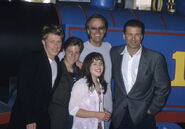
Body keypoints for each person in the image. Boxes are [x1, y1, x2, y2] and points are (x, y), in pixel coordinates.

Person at [110, 19, 171, 129]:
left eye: (137, 34)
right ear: (124, 36)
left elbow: (163, 87)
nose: (133, 38)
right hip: (119, 114)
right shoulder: (114, 53)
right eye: (130, 34)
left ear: (142, 36)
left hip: (143, 116)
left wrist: (152, 109)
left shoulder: (155, 58)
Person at [8, 25, 64, 129]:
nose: (56, 46)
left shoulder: (57, 62)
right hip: (25, 116)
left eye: (59, 41)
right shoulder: (31, 59)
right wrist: (29, 118)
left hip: (43, 115)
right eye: (52, 41)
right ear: (43, 42)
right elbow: (24, 91)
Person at [48, 37, 84, 129]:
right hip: (57, 117)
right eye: (70, 51)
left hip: (75, 117)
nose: (73, 55)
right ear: (64, 51)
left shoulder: (80, 71)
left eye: (76, 52)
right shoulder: (56, 68)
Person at [69, 52, 111, 129]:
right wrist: (97, 114)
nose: (99, 66)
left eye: (101, 63)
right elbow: (73, 110)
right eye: (94, 64)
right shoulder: (80, 84)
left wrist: (103, 112)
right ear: (88, 66)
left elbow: (91, 105)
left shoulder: (99, 83)